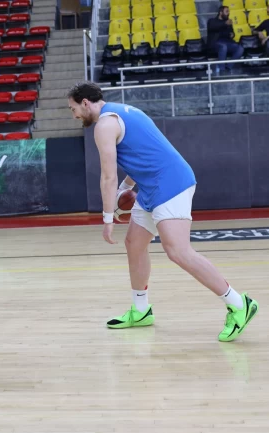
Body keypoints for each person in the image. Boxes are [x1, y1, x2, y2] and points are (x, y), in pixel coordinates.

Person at [67, 81, 258, 342]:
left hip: (170, 184)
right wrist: (127, 187)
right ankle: (141, 310)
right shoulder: (125, 111)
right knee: (134, 244)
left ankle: (239, 303)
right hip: (151, 187)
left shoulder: (104, 125)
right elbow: (145, 153)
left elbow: (108, 177)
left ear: (85, 103)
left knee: (178, 251)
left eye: (73, 109)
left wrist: (107, 217)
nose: (74, 115)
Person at [207, 6, 244, 74]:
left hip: (227, 42)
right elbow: (213, 27)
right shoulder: (212, 21)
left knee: (240, 48)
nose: (228, 13)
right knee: (223, 47)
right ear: (221, 12)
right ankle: (222, 69)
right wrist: (224, 24)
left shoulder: (228, 22)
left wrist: (232, 34)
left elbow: (232, 32)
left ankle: (228, 67)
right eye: (226, 11)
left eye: (228, 11)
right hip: (215, 43)